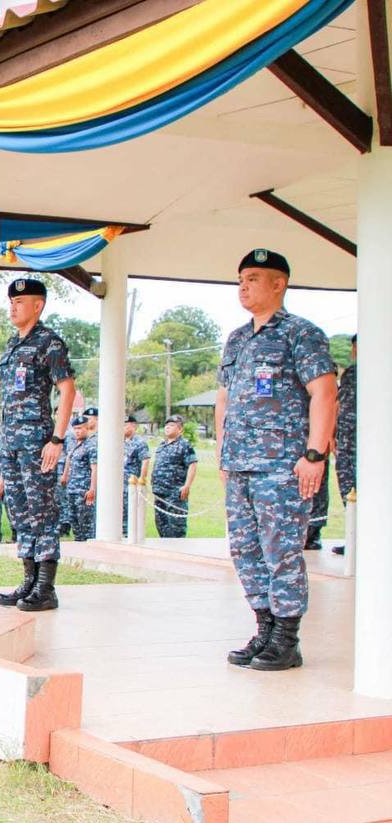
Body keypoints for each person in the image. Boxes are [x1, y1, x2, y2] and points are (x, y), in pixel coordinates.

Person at [217, 249, 337, 671]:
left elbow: (324, 392)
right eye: (240, 279)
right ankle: (264, 628)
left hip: (283, 465)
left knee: (281, 550)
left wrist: (315, 454)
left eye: (252, 278)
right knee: (245, 550)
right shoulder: (236, 338)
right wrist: (222, 453)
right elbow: (225, 397)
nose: (243, 287)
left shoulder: (300, 334)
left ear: (278, 284)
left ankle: (287, 638)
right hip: (241, 463)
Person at [0, 276, 77, 609]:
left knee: (42, 511)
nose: (12, 307)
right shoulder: (13, 345)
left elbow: (67, 390)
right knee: (20, 512)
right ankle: (28, 580)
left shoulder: (49, 343)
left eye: (19, 302)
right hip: (11, 442)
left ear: (37, 305)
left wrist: (57, 438)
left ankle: (46, 587)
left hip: (36, 441)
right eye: (10, 302)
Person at [151, 415, 198, 538]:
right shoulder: (162, 445)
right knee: (162, 527)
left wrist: (187, 486)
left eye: (172, 425)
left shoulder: (184, 445)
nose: (167, 428)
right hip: (159, 493)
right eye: (166, 425)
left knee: (176, 529)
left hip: (175, 493)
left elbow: (192, 465)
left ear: (180, 429)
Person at [333, 335, 357, 555]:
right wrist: (332, 434)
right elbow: (338, 403)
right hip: (346, 440)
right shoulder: (350, 374)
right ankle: (354, 536)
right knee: (347, 485)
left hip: (367, 441)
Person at [62, 417, 97, 541]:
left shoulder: (91, 446)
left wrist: (92, 489)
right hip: (72, 488)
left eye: (80, 428)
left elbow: (95, 468)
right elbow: (68, 460)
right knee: (74, 519)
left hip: (83, 489)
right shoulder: (74, 445)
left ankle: (88, 546)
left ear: (87, 428)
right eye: (75, 429)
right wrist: (64, 476)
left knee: (85, 522)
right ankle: (79, 543)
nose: (77, 431)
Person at [122, 415, 152, 535]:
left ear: (133, 426)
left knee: (130, 511)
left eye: (126, 424)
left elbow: (145, 461)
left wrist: (142, 480)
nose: (123, 427)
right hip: (119, 483)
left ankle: (129, 534)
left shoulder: (140, 442)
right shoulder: (119, 441)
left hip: (131, 483)